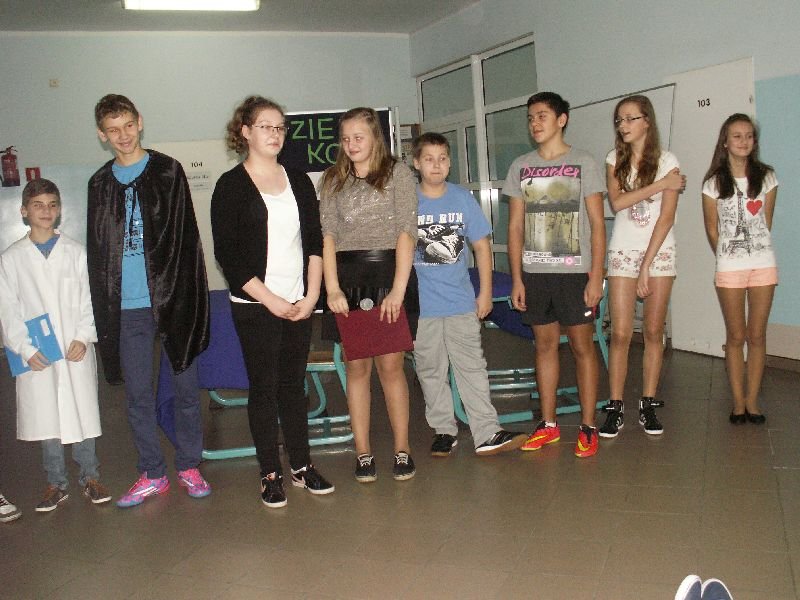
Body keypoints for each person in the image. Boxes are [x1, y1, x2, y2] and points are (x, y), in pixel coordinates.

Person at [87, 94, 211, 507]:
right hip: (127, 308)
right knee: (138, 395)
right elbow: (98, 254)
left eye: (127, 125)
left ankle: (189, 464)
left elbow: (188, 241)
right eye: (113, 130)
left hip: (173, 299)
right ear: (102, 135)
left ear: (139, 122)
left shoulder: (167, 171)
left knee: (186, 388)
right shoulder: (100, 185)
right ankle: (153, 472)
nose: (123, 136)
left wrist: (191, 300)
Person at [211, 96, 334, 508]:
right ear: (245, 131)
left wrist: (312, 295)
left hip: (299, 301)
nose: (275, 133)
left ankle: (301, 466)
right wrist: (270, 301)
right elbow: (229, 256)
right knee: (264, 389)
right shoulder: (230, 185)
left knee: (293, 387)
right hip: (255, 305)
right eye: (266, 126)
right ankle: (270, 473)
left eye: (280, 126)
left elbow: (314, 240)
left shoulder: (298, 180)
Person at [503, 91, 606, 458]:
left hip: (575, 274)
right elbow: (515, 227)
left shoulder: (583, 162)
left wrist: (596, 275)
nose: (535, 123)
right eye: (531, 117)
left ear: (562, 120)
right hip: (535, 273)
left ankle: (588, 426)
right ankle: (548, 425)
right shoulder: (520, 166)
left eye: (542, 116)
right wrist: (517, 277)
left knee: (582, 347)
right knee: (544, 346)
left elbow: (597, 224)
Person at [411, 132, 527, 457]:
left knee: (472, 367)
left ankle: (487, 432)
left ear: (450, 162)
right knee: (430, 370)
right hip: (422, 307)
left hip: (460, 302)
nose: (436, 165)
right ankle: (443, 430)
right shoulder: (408, 202)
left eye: (442, 159)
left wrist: (485, 293)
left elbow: (481, 246)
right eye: (429, 159)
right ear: (416, 163)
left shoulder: (462, 199)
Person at [319, 107, 419, 482]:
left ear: (375, 136)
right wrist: (331, 288)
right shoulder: (332, 178)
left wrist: (398, 289)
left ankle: (402, 450)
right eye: (345, 138)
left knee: (391, 368)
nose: (351, 144)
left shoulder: (398, 173)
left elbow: (406, 231)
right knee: (356, 369)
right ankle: (363, 453)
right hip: (346, 279)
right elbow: (327, 236)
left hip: (388, 274)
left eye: (358, 137)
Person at [0, 179, 112, 512]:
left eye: (52, 205)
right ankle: (56, 483)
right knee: (46, 416)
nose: (46, 211)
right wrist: (24, 348)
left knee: (82, 412)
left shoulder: (76, 252)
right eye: (38, 205)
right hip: (38, 353)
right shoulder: (11, 258)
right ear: (24, 211)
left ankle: (90, 477)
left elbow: (90, 300)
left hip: (74, 347)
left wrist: (83, 335)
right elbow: (8, 309)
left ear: (59, 210)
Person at [600, 95, 684, 438]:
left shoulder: (668, 160)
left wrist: (647, 265)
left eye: (630, 118)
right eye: (619, 120)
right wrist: (661, 185)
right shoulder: (614, 159)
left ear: (647, 121)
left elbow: (666, 218)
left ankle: (648, 404)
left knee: (652, 331)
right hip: (623, 250)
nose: (623, 125)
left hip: (659, 252)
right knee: (620, 333)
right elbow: (618, 202)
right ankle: (615, 405)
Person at [702, 114, 778, 424]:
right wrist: (727, 255)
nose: (744, 141)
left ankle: (752, 402)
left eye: (749, 135)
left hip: (763, 264)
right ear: (725, 141)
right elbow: (712, 229)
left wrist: (752, 250)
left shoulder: (767, 177)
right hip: (730, 267)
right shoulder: (713, 182)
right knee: (735, 336)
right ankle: (737, 403)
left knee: (757, 335)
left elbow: (766, 222)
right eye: (737, 135)